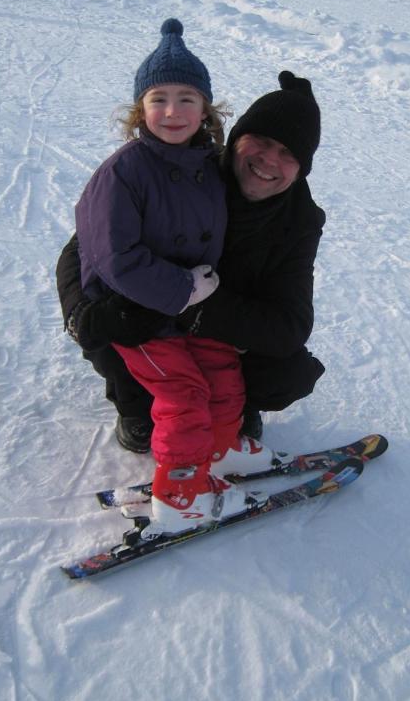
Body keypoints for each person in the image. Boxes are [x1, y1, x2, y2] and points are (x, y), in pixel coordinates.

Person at [58, 66, 325, 475]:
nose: (270, 160)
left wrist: (190, 306)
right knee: (110, 326)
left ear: (301, 168)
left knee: (287, 370)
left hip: (215, 323)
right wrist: (80, 311)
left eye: (289, 154)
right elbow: (85, 244)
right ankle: (137, 410)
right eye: (263, 141)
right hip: (148, 316)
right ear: (236, 138)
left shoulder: (299, 220)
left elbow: (291, 323)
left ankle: (233, 422)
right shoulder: (190, 169)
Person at [73, 17, 283, 538]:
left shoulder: (208, 165)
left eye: (187, 98)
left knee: (223, 371)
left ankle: (222, 450)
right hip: (135, 315)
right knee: (185, 394)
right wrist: (184, 289)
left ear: (205, 108)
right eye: (158, 98)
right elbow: (115, 258)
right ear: (139, 109)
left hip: (189, 312)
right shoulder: (123, 173)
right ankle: (180, 494)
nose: (173, 112)